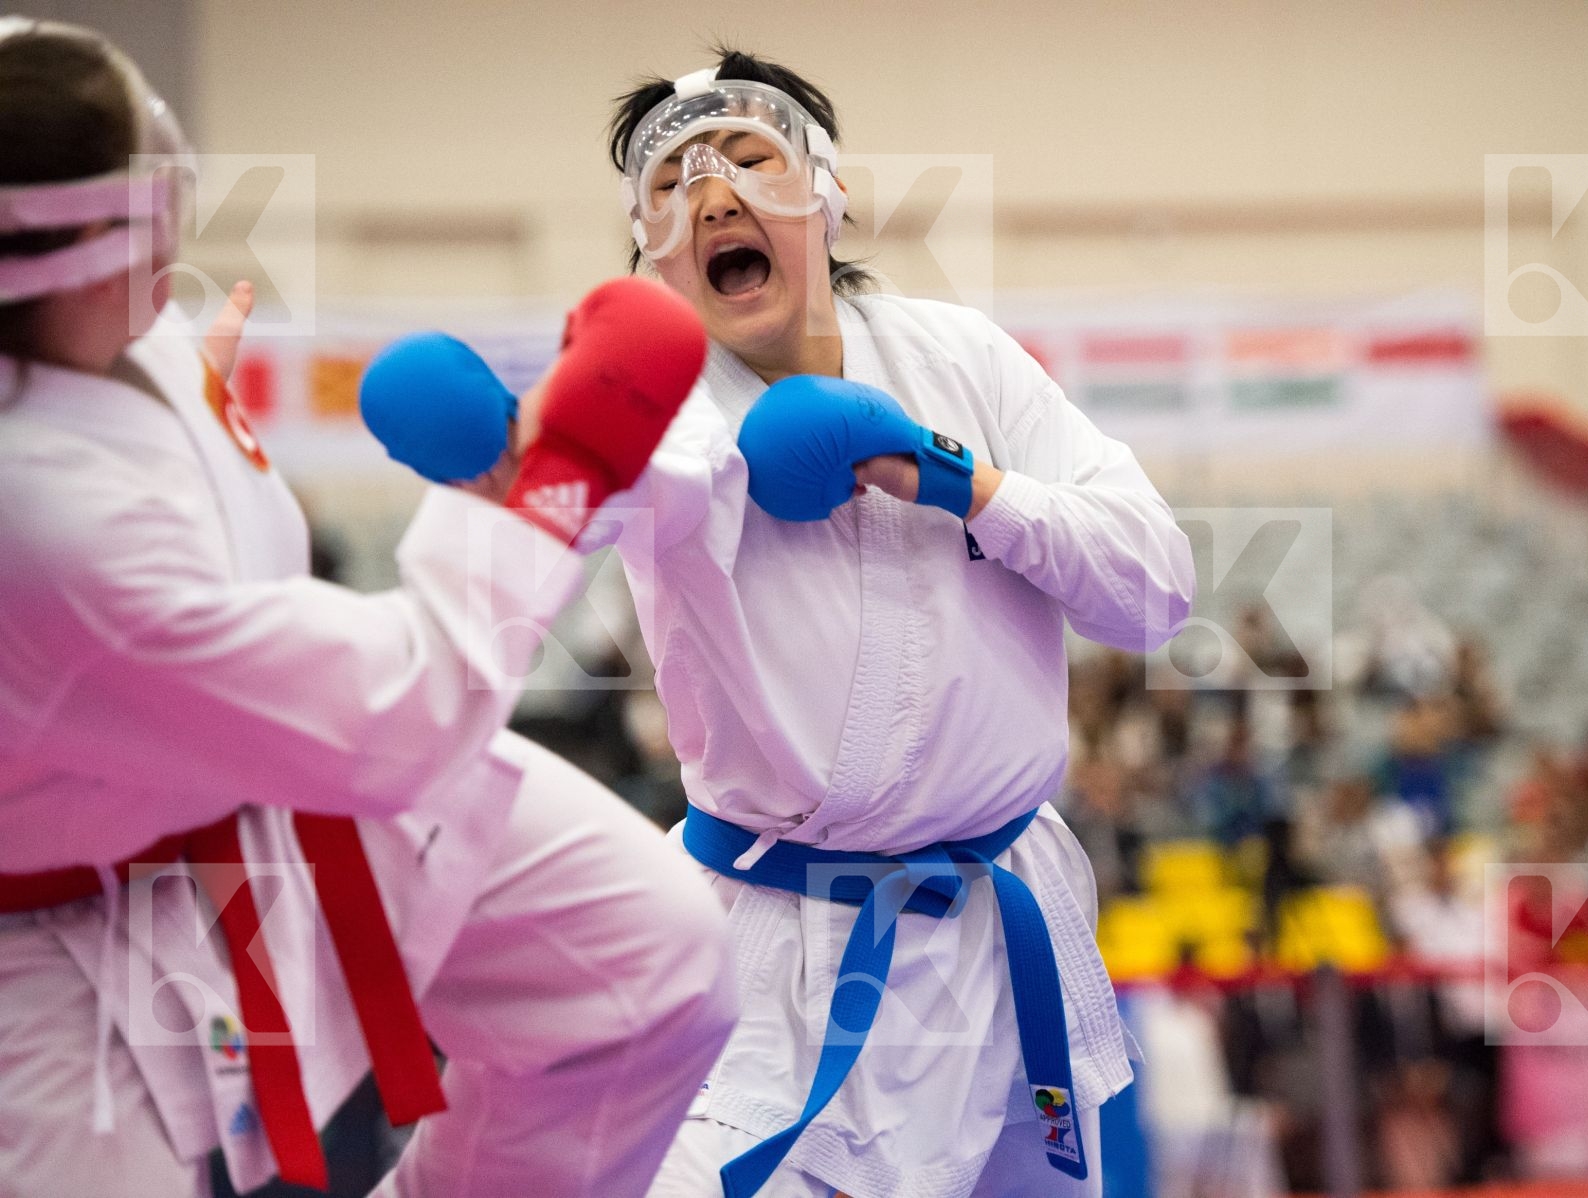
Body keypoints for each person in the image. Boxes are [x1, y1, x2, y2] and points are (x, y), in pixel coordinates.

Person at [0, 19, 734, 1197]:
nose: (175, 233)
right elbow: (404, 714)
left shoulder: (116, 340)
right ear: (58, 250)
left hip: (254, 786)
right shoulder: (37, 514)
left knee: (647, 959)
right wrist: (547, 478)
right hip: (65, 942)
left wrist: (177, 427)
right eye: (145, 208)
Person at [599, 48, 1195, 1198]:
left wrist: (963, 484)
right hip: (776, 949)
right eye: (672, 186)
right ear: (652, 252)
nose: (714, 193)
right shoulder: (656, 416)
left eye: (751, 160)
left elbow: (1156, 588)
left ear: (826, 194)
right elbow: (618, 498)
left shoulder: (959, 358)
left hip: (1001, 924)